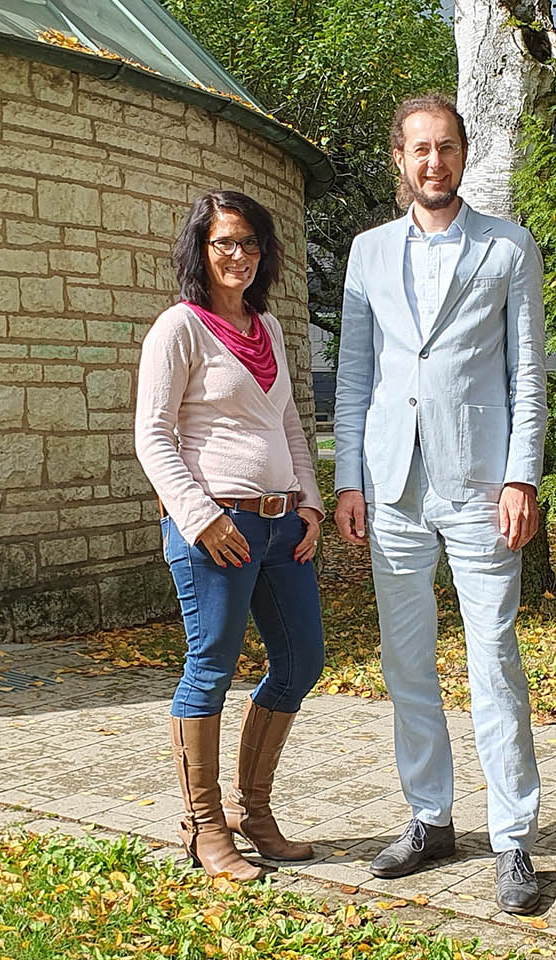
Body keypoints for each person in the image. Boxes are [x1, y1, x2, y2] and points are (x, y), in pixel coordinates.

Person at [332, 92, 549, 913]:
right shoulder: (366, 253)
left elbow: (528, 374)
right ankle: (430, 817)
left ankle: (515, 840)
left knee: (493, 659)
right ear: (398, 157)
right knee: (405, 662)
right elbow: (356, 376)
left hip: (482, 487)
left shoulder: (508, 247)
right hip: (391, 489)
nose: (434, 162)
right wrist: (350, 481)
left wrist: (522, 477)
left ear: (463, 153)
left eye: (446, 147)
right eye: (419, 149)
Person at [136, 190, 326, 883]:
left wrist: (308, 502)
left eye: (249, 242)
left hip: (281, 527)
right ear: (200, 249)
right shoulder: (178, 329)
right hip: (216, 526)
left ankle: (254, 811)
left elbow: (288, 425)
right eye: (224, 243)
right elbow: (153, 437)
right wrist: (200, 516)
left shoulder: (267, 327)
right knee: (211, 664)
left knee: (302, 660)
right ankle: (203, 825)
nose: (238, 255)